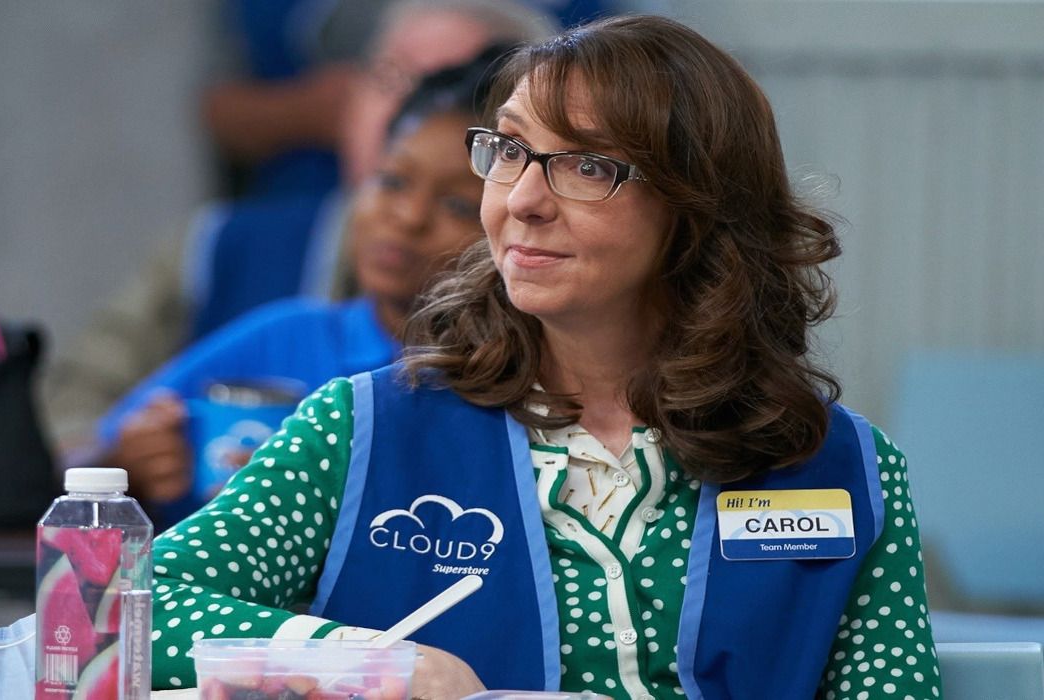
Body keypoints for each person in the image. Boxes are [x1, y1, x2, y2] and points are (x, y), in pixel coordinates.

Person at [146, 15, 942, 700]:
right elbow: (129, 607)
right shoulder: (367, 428)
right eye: (510, 150)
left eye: (586, 165)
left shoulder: (843, 469)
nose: (521, 198)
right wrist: (370, 663)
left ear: (699, 210)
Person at [38, 0, 557, 454]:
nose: (412, 109)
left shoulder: (554, 353)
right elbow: (81, 423)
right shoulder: (221, 252)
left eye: (461, 80)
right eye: (391, 76)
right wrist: (127, 462)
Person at [89, 50, 503, 528]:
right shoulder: (288, 335)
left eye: (455, 204)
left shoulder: (511, 377)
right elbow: (78, 469)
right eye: (391, 181)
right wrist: (130, 463)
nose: (407, 218)